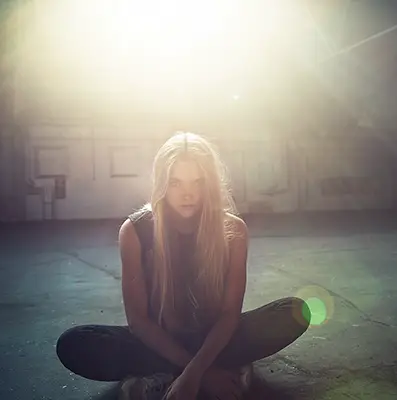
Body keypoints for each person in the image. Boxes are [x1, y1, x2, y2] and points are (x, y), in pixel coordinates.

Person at [56, 132, 311, 400]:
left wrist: (195, 370)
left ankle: (159, 379)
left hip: (214, 337)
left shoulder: (233, 230)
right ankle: (222, 371)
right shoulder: (134, 231)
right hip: (158, 341)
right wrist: (205, 374)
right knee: (76, 342)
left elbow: (228, 314)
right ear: (162, 183)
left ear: (209, 184)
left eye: (197, 182)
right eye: (176, 182)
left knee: (294, 311)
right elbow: (139, 322)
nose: (187, 193)